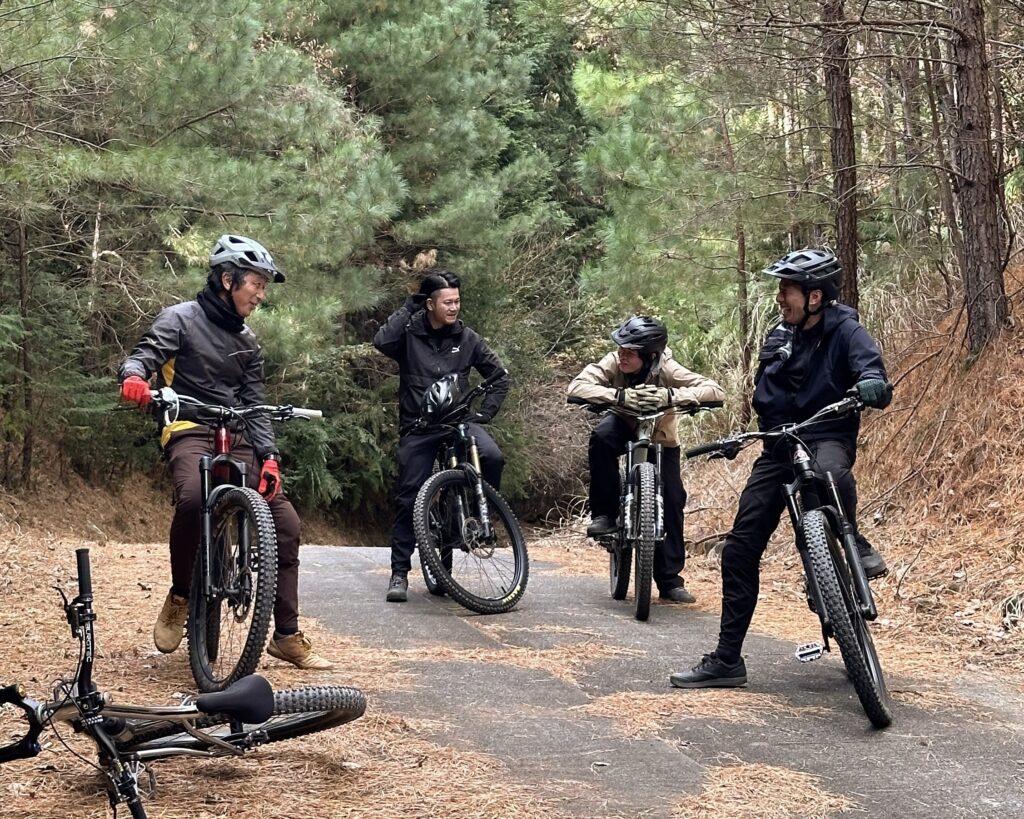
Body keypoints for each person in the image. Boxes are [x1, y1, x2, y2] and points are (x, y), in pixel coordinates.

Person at [670, 248, 892, 689]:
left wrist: (872, 385)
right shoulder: (779, 336)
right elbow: (766, 395)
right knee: (739, 550)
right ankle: (727, 660)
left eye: (786, 289)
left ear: (814, 296)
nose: (779, 297)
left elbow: (872, 372)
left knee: (831, 475)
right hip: (778, 447)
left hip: (825, 435)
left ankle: (854, 540)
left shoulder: (847, 331)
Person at [118, 234, 333, 670]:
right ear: (228, 279)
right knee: (193, 499)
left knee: (286, 523)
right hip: (188, 427)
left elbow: (254, 403)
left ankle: (286, 635)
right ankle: (181, 595)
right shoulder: (180, 319)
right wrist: (135, 378)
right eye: (256, 283)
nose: (261, 294)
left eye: (264, 286)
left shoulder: (248, 341)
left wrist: (269, 456)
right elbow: (144, 356)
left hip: (237, 435)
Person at [567, 316, 726, 603]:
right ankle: (604, 515)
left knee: (673, 497)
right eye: (621, 349)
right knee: (601, 439)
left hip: (659, 435)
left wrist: (670, 395)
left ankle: (669, 581)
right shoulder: (613, 362)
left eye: (630, 352)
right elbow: (577, 386)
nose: (622, 355)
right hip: (621, 420)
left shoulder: (667, 367)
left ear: (651, 356)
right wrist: (619, 396)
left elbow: (714, 390)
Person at [373, 269, 510, 603]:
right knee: (409, 496)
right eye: (447, 302)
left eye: (457, 301)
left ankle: (472, 521)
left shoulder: (468, 338)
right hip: (418, 427)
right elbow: (381, 341)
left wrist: (484, 415)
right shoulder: (408, 334)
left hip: (458, 422)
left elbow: (499, 377)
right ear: (430, 304)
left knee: (492, 457)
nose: (454, 307)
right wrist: (409, 306)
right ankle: (399, 572)